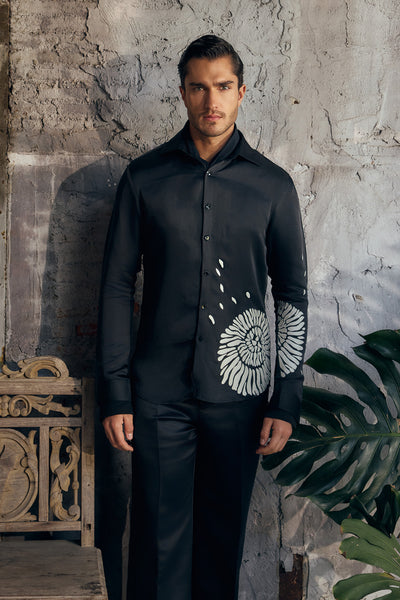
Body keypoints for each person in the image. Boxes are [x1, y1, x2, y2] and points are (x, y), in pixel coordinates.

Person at [97, 34, 307, 600]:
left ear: (241, 92)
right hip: (157, 397)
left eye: (222, 86)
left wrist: (286, 398)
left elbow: (291, 295)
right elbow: (116, 287)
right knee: (155, 552)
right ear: (183, 93)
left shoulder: (273, 186)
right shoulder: (144, 178)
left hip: (239, 400)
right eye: (198, 87)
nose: (211, 101)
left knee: (220, 550)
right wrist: (115, 392)